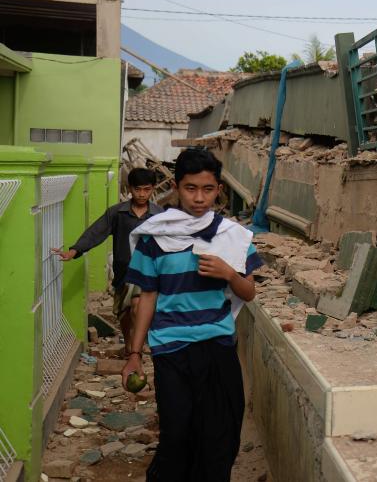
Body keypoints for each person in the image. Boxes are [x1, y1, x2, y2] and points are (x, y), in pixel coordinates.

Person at [122, 148, 263, 481]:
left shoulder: (233, 237)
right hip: (171, 348)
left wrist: (229, 273)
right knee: (177, 435)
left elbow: (249, 293)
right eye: (190, 188)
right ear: (176, 186)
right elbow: (148, 297)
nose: (199, 198)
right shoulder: (155, 237)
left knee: (220, 435)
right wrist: (134, 354)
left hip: (217, 345)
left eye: (208, 189)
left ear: (218, 189)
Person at [53, 167, 162, 355]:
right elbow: (96, 232)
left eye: (146, 189)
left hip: (149, 272)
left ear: (152, 189)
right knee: (125, 312)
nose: (142, 194)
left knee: (138, 307)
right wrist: (74, 250)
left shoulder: (160, 216)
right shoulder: (117, 213)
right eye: (138, 189)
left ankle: (137, 346)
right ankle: (129, 344)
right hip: (124, 271)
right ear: (130, 189)